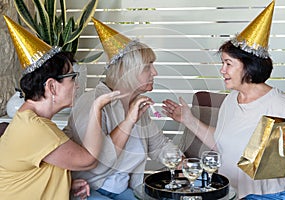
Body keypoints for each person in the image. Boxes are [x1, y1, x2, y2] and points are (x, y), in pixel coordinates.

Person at [162, 1, 285, 199]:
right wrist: (187, 119)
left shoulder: (280, 107)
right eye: (222, 63)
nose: (222, 70)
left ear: (249, 67)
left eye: (228, 63)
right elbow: (222, 144)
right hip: (232, 193)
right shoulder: (232, 100)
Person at [0, 16, 123, 200]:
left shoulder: (31, 120)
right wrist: (96, 107)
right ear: (51, 86)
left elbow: (32, 173)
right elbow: (88, 160)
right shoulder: (35, 129)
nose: (77, 85)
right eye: (72, 77)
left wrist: (66, 184)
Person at [64, 18, 181, 200]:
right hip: (90, 190)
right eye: (147, 67)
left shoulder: (137, 103)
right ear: (127, 71)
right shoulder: (93, 103)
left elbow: (157, 144)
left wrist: (182, 163)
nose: (155, 72)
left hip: (124, 190)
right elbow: (94, 162)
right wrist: (128, 122)